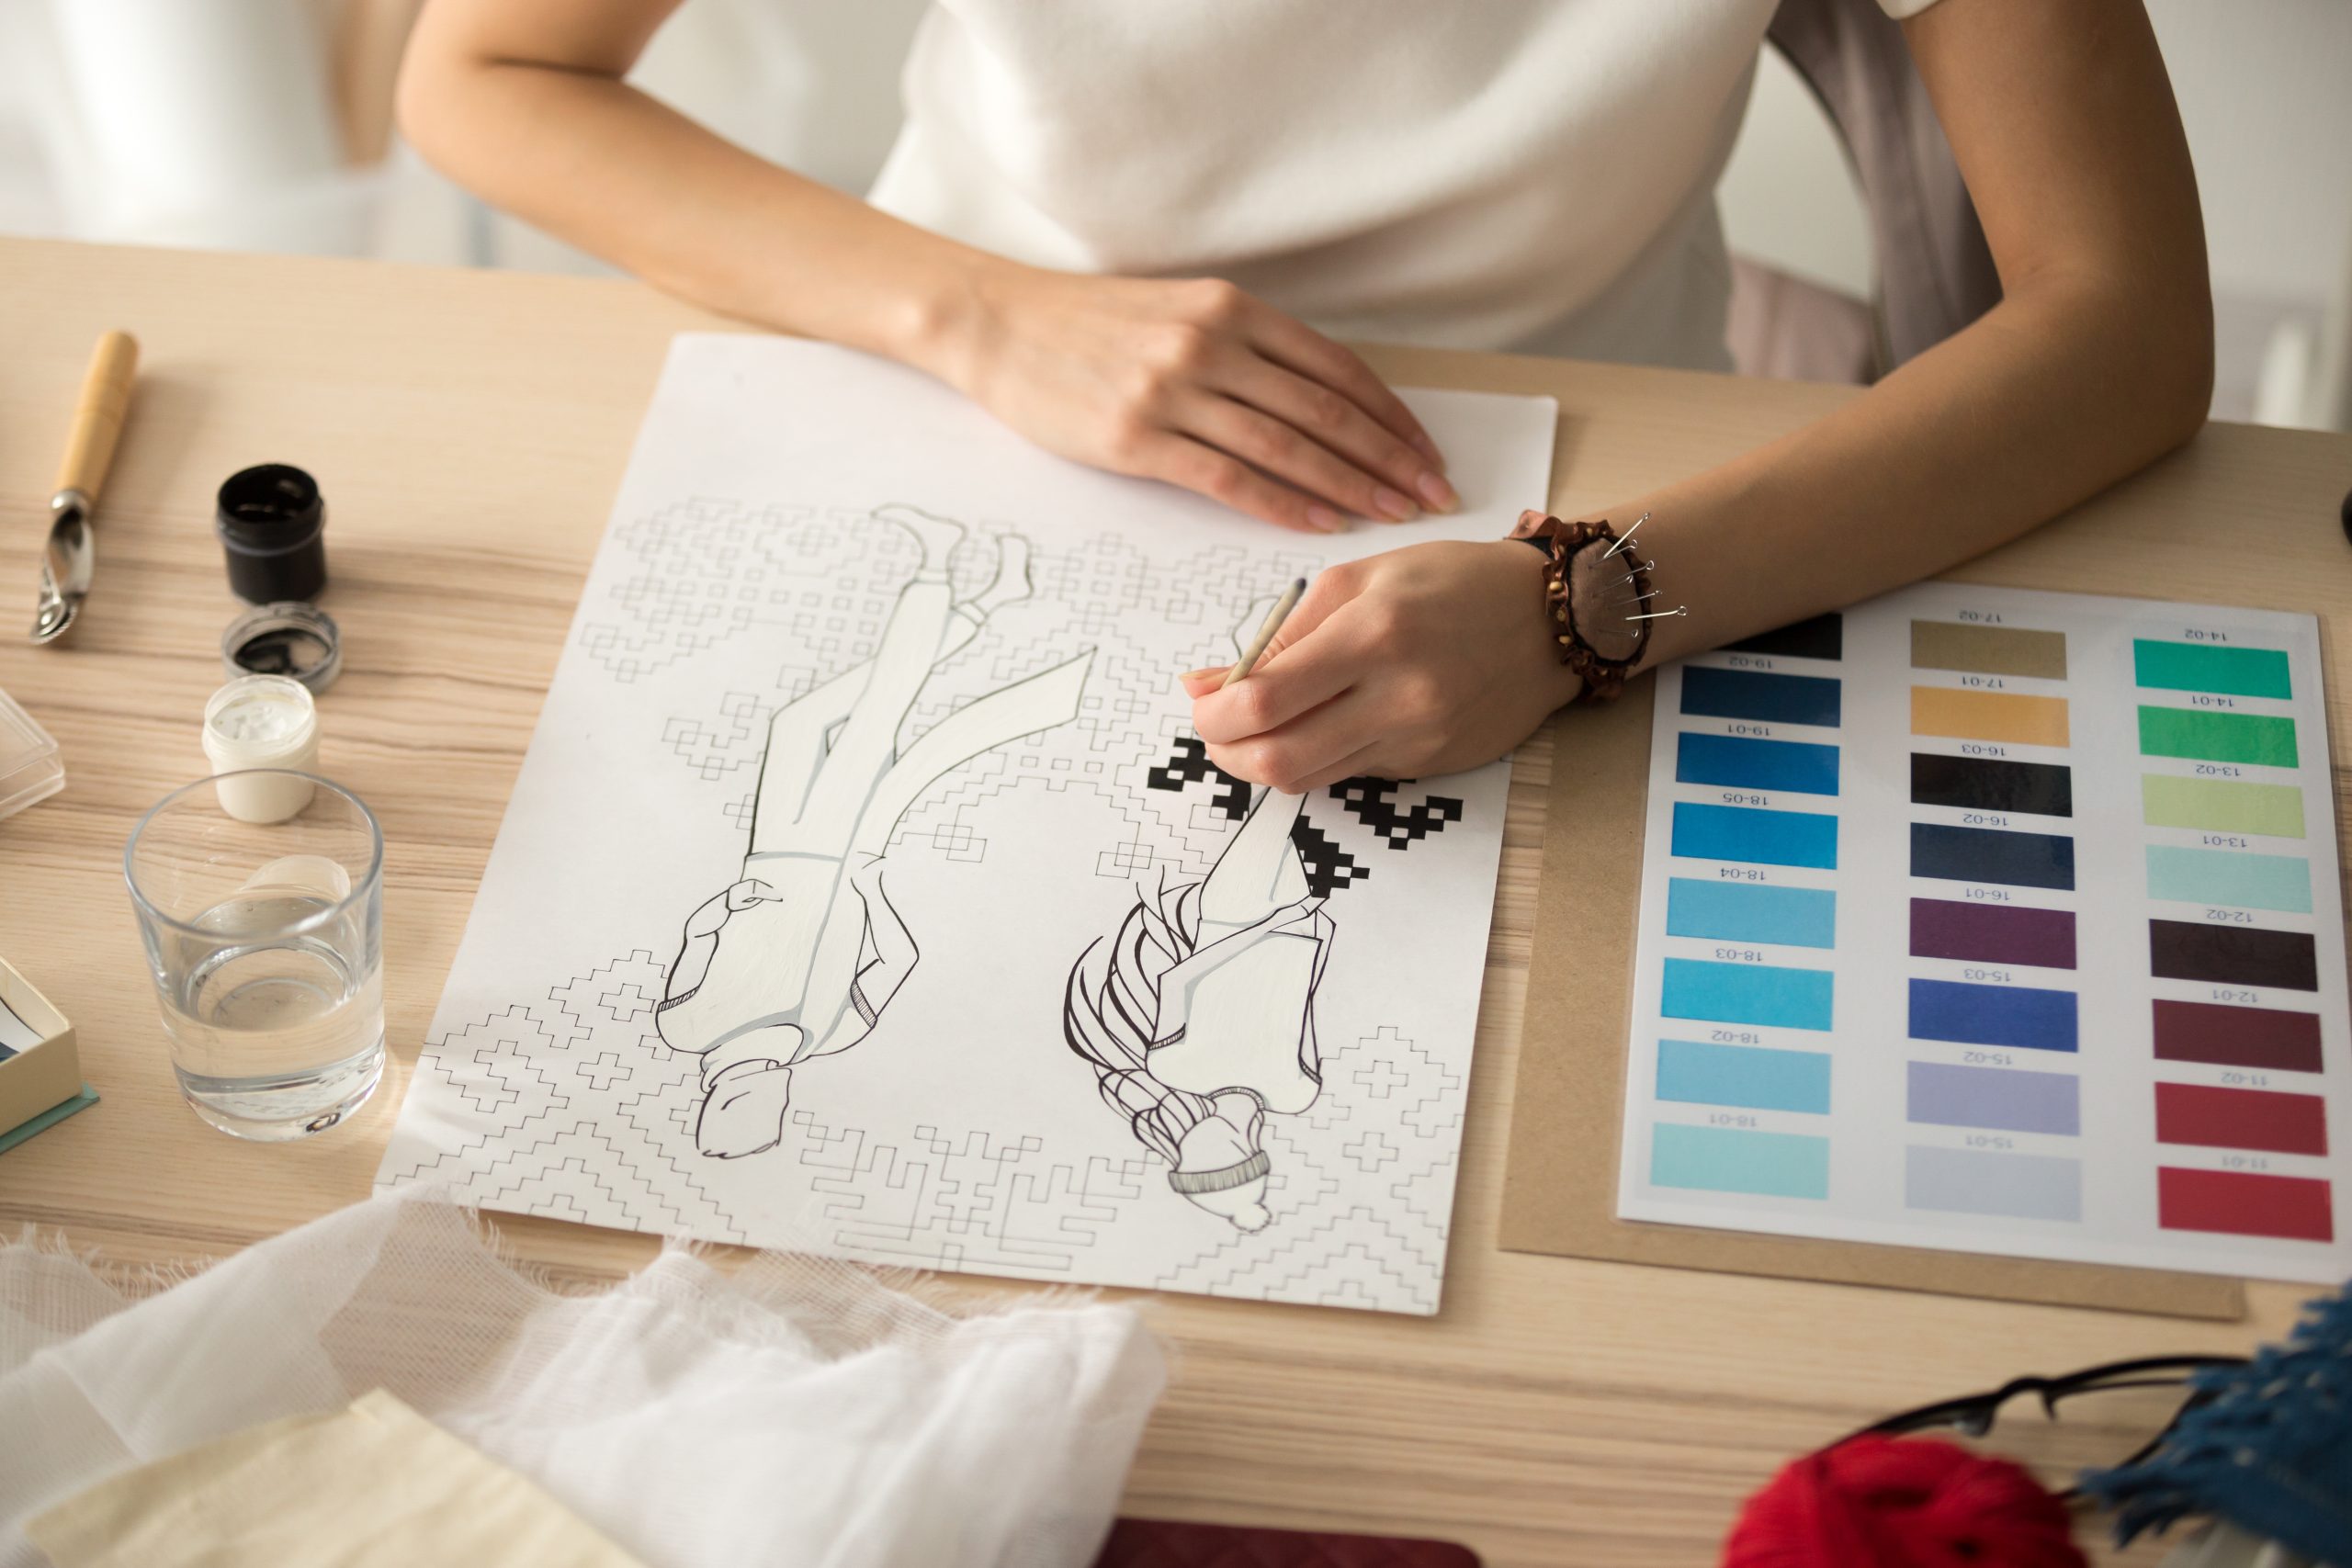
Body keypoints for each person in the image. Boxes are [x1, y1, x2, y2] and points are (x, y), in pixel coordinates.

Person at [399, 0, 2211, 790]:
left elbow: (2124, 324)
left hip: (1612, 487)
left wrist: (1588, 598)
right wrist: (983, 318)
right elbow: (487, 73)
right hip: (961, 398)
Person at [656, 505, 1090, 1157]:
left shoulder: (684, 1029)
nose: (768, 1096)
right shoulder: (831, 1033)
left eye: (742, 1106)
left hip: (769, 852)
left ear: (712, 1102)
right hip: (842, 846)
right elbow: (897, 960)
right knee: (880, 710)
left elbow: (697, 937)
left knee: (797, 723)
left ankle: (991, 597)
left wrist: (724, 906)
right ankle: (937, 565)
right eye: (774, 1111)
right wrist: (868, 889)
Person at [1064, 784, 1332, 1232]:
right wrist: (1316, 937)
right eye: (1201, 1158)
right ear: (1245, 1150)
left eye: (1180, 1158)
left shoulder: (1175, 1070)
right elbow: (1301, 1003)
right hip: (1296, 930)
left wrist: (1266, 926)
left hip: (1232, 914)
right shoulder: (1297, 1093)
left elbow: (1176, 980)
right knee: (1281, 804)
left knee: (1284, 798)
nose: (1183, 1145)